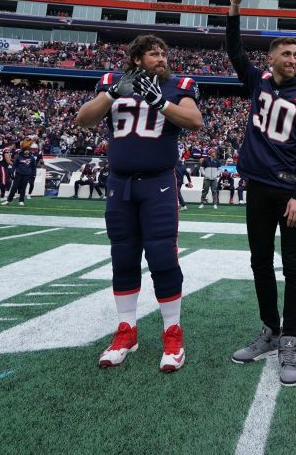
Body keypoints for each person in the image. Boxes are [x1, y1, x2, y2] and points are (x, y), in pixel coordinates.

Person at [76, 34, 203, 371]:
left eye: (164, 52)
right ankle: (126, 331)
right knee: (123, 256)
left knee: (162, 255)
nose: (161, 58)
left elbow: (194, 121)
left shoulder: (179, 85)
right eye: (153, 53)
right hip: (120, 184)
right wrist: (114, 93)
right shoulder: (110, 83)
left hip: (159, 182)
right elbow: (83, 119)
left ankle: (172, 333)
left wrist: (160, 101)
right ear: (136, 59)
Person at [225, 0, 296, 388]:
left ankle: (290, 339)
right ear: (271, 59)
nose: (293, 59)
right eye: (286, 53)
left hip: (290, 193)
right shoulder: (259, 81)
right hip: (258, 188)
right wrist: (234, 9)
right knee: (259, 262)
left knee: (294, 266)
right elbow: (234, 53)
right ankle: (269, 329)